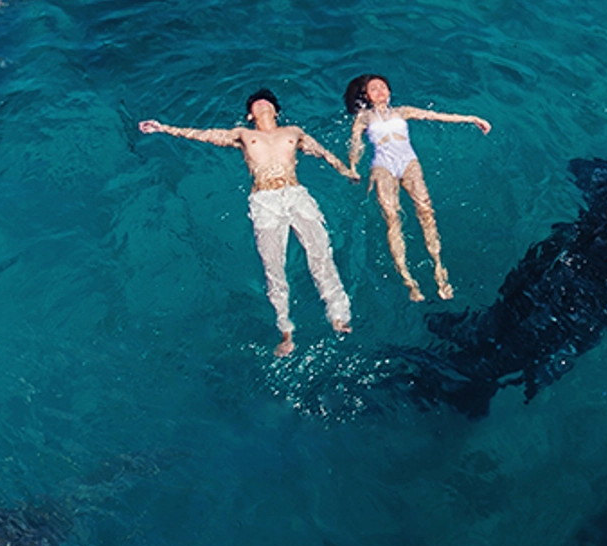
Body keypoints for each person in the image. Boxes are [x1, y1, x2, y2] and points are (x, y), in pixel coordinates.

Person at [140, 89, 357, 356]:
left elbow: (321, 152)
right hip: (264, 200)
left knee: (321, 254)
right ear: (249, 114)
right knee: (273, 265)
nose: (262, 102)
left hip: (297, 194)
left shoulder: (294, 131)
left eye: (267, 101)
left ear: (276, 111)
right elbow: (205, 134)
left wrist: (345, 170)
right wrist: (165, 128)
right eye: (256, 102)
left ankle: (339, 315)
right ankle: (286, 330)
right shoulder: (243, 135)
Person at [345, 74, 491, 303]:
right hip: (382, 167)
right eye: (374, 89)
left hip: (409, 164)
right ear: (367, 97)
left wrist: (471, 118)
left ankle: (439, 270)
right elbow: (356, 143)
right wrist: (353, 167)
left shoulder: (402, 111)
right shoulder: (363, 118)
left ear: (389, 92)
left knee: (426, 211)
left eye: (383, 87)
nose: (380, 91)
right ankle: (408, 278)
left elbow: (437, 116)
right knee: (392, 218)